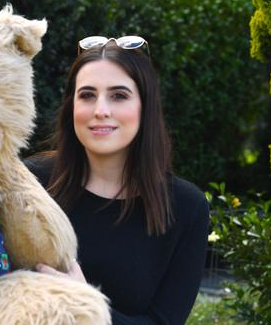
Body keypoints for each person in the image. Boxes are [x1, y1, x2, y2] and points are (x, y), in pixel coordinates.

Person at [25, 36, 209, 325]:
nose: (101, 110)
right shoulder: (30, 183)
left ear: (144, 107)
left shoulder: (186, 207)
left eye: (118, 95)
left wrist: (83, 301)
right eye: (87, 95)